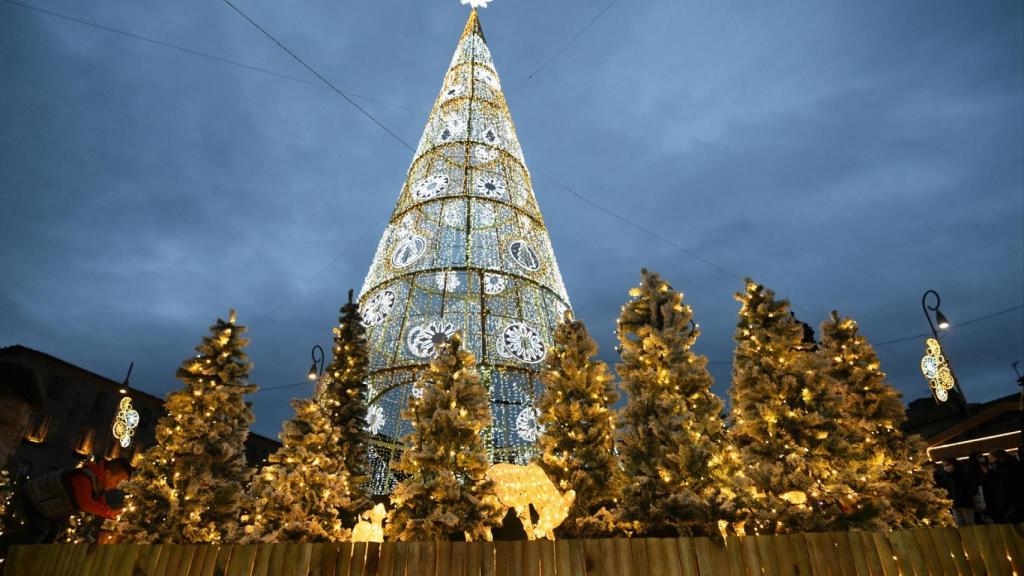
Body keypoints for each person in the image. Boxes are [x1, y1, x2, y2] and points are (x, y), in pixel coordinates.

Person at [2, 458, 131, 547]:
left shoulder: (98, 486)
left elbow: (101, 505)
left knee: (51, 537)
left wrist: (112, 513)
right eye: (117, 481)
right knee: (37, 531)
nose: (116, 487)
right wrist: (109, 513)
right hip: (35, 498)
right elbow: (85, 503)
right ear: (107, 474)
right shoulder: (84, 478)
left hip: (51, 509)